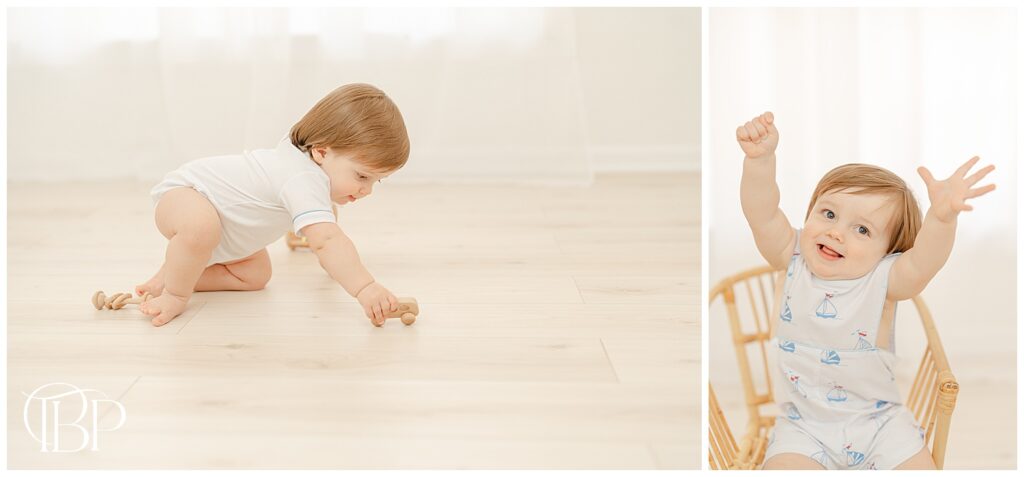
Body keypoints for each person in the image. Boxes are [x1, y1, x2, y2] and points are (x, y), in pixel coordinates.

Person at [736, 111, 994, 469]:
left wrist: (941, 218)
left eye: (862, 230)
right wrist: (761, 161)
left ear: (889, 251)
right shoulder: (791, 254)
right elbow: (761, 213)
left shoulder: (885, 278)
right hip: (803, 425)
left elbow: (924, 262)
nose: (836, 232)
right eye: (828, 214)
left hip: (880, 425)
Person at [136, 83, 409, 328]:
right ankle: (174, 293)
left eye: (377, 181)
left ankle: (178, 271)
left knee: (255, 276)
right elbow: (326, 239)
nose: (367, 190)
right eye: (362, 176)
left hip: (229, 231)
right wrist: (365, 287)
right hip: (186, 196)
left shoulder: (309, 165)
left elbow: (322, 221)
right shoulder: (301, 177)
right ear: (322, 151)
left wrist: (327, 255)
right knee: (200, 228)